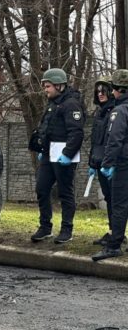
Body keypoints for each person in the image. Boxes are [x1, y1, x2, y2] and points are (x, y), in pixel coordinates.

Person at [30, 68, 85, 244]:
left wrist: (68, 154)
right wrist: (43, 151)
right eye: (45, 86)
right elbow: (48, 129)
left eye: (48, 86)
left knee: (65, 192)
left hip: (64, 156)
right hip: (49, 154)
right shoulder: (53, 103)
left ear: (59, 85)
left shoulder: (71, 104)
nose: (45, 89)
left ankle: (66, 230)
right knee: (42, 189)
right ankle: (45, 227)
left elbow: (76, 133)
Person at [93, 69, 128, 261]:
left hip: (123, 163)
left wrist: (107, 164)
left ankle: (115, 244)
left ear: (118, 89)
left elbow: (114, 140)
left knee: (119, 203)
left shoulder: (119, 111)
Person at [87, 76, 116, 246]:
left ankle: (116, 233)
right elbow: (96, 141)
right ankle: (113, 231)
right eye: (98, 91)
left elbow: (112, 140)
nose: (100, 94)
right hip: (100, 163)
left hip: (111, 163)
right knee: (109, 198)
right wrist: (92, 163)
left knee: (115, 199)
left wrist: (110, 162)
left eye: (104, 90)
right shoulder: (100, 112)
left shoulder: (115, 111)